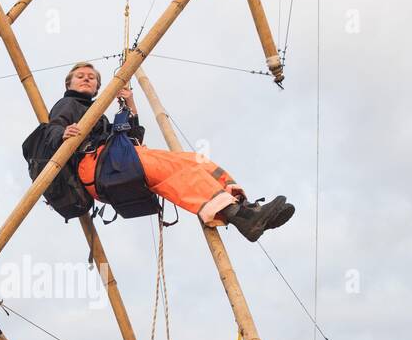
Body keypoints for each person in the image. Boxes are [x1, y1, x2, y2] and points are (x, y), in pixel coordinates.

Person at [50, 61, 294, 241]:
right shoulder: (68, 104)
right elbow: (50, 131)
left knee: (196, 161)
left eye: (92, 78)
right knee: (179, 170)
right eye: (80, 76)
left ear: (96, 89)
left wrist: (130, 104)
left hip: (115, 162)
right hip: (96, 167)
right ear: (68, 83)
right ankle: (239, 216)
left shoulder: (96, 113)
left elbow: (129, 139)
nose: (86, 79)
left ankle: (246, 209)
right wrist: (62, 133)